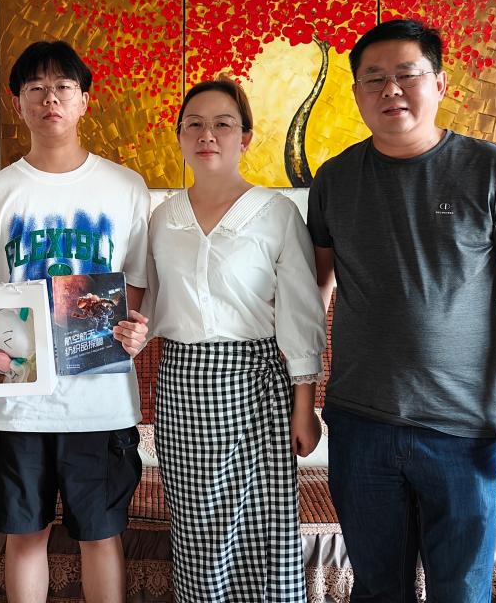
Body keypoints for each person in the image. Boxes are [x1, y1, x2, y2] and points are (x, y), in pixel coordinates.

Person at [307, 18, 496, 601]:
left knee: (461, 591)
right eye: (374, 78)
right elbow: (314, 291)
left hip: (464, 429)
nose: (390, 89)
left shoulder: (493, 169)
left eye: (407, 74)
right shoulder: (335, 179)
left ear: (440, 83)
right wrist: (303, 394)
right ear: (357, 93)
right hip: (360, 423)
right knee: (377, 589)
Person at [0, 40, 150, 603]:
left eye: (63, 87)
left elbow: (138, 282)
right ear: (17, 102)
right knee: (24, 537)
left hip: (101, 400)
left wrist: (133, 328)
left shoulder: (125, 187)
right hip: (18, 404)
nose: (50, 99)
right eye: (36, 88)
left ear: (85, 100)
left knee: (102, 536)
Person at [145, 79, 324, 601]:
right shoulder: (162, 218)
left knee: (262, 531)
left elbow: (299, 313)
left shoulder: (276, 213)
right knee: (196, 529)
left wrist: (304, 408)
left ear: (245, 137)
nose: (208, 135)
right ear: (179, 136)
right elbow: (148, 303)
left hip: (257, 388)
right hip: (181, 386)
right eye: (195, 125)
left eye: (223, 124)